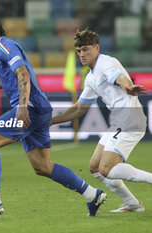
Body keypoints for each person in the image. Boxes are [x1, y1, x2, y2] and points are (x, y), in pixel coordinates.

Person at [0, 13, 106, 218]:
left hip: (30, 108)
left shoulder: (6, 47)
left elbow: (22, 74)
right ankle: (91, 194)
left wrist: (23, 107)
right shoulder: (1, 52)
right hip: (40, 109)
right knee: (42, 167)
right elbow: (5, 80)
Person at [52, 29, 152, 213]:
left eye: (86, 49)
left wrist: (128, 87)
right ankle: (132, 204)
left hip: (129, 118)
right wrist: (51, 121)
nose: (82, 54)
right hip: (119, 121)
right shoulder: (90, 77)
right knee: (95, 167)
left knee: (106, 168)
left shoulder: (106, 63)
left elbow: (119, 78)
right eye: (79, 50)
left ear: (97, 48)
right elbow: (79, 108)